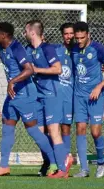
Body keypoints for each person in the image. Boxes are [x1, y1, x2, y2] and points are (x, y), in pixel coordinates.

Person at [0, 22, 55, 177]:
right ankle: (3, 166)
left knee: (33, 130)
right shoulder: (1, 46)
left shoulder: (17, 48)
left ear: (4, 35)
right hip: (12, 96)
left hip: (25, 95)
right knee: (7, 128)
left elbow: (29, 69)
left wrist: (12, 81)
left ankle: (55, 163)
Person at [25, 20, 72, 178]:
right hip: (38, 96)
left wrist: (36, 69)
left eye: (26, 31)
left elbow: (58, 69)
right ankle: (56, 161)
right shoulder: (29, 49)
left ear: (32, 32)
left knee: (53, 131)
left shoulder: (47, 48)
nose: (24, 33)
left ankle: (62, 168)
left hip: (52, 94)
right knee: (39, 132)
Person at [71, 21, 104, 178]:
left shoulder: (98, 48)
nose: (79, 41)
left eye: (82, 37)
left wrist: (99, 86)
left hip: (95, 96)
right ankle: (84, 169)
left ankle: (101, 161)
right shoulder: (73, 49)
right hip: (79, 96)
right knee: (80, 129)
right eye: (77, 38)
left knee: (95, 132)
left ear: (88, 35)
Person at [38, 23, 75, 177]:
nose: (69, 36)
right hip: (54, 95)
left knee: (65, 129)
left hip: (70, 96)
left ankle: (64, 165)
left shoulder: (79, 52)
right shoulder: (56, 50)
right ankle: (50, 161)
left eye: (71, 33)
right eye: (66, 33)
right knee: (46, 130)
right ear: (62, 35)